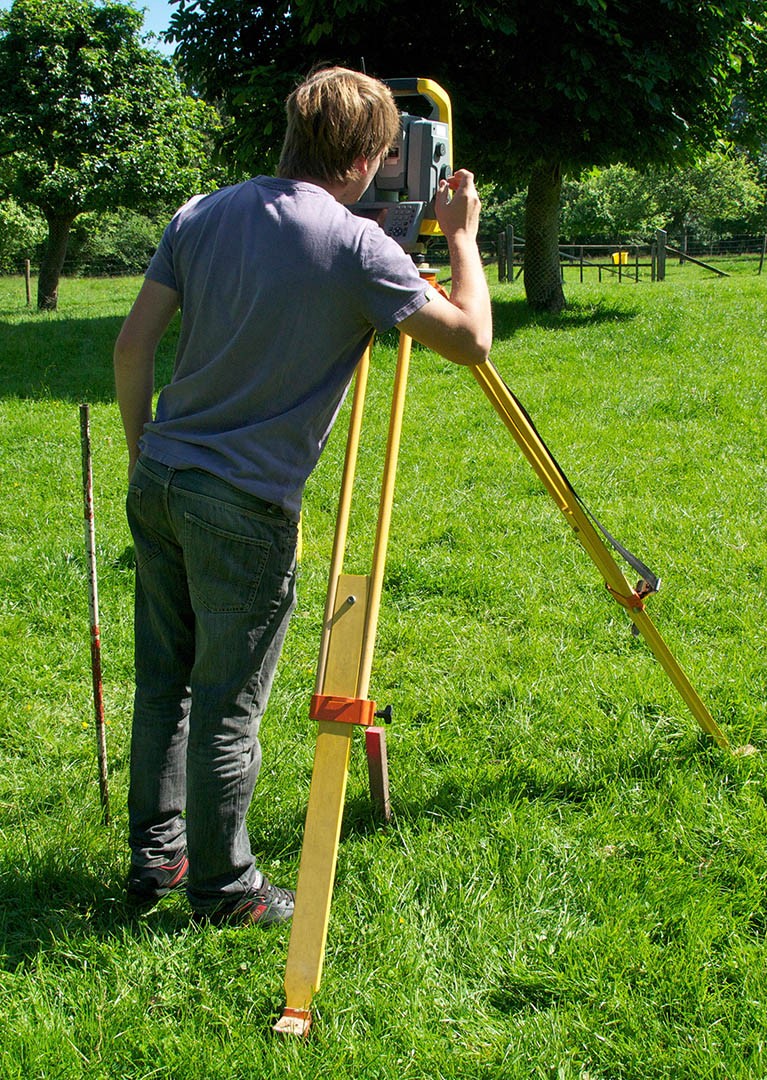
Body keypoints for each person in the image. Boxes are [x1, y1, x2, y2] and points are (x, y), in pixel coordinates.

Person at [113, 67, 492, 926]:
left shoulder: (200, 213)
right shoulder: (359, 250)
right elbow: (471, 340)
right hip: (242, 506)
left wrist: (147, 458)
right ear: (364, 159)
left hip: (162, 478)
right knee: (228, 704)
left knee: (163, 684)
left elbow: (132, 349)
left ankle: (156, 860)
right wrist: (460, 237)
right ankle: (224, 889)